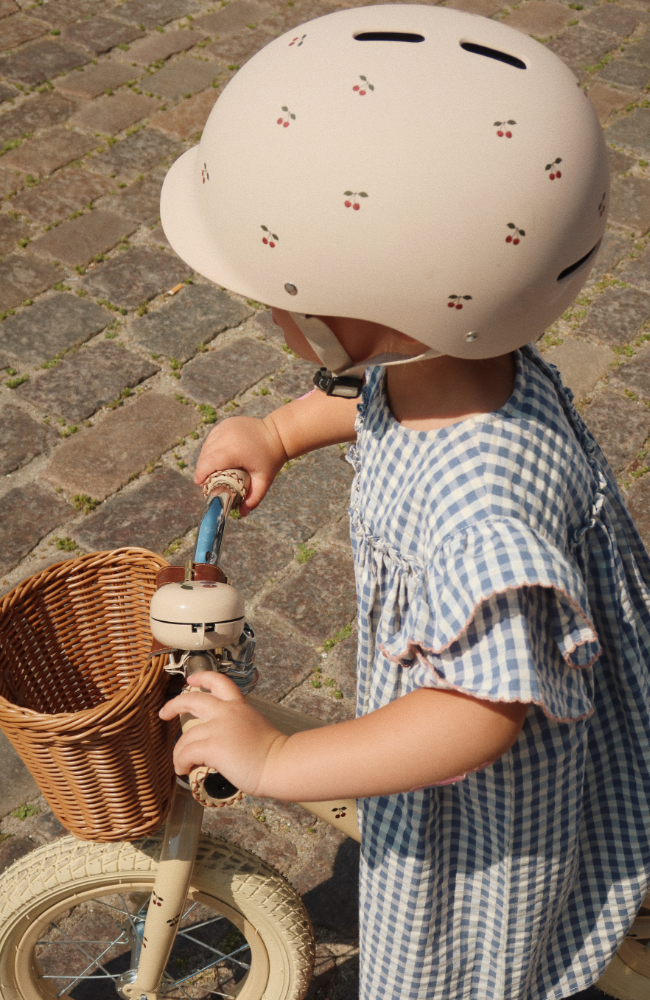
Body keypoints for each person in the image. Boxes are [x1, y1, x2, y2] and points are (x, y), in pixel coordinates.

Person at [158, 5, 650, 998]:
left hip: (486, 798)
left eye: (276, 294)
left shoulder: (482, 516)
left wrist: (279, 754)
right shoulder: (466, 362)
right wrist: (285, 431)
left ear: (362, 307)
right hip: (511, 691)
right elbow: (378, 394)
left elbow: (472, 715)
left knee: (455, 961)